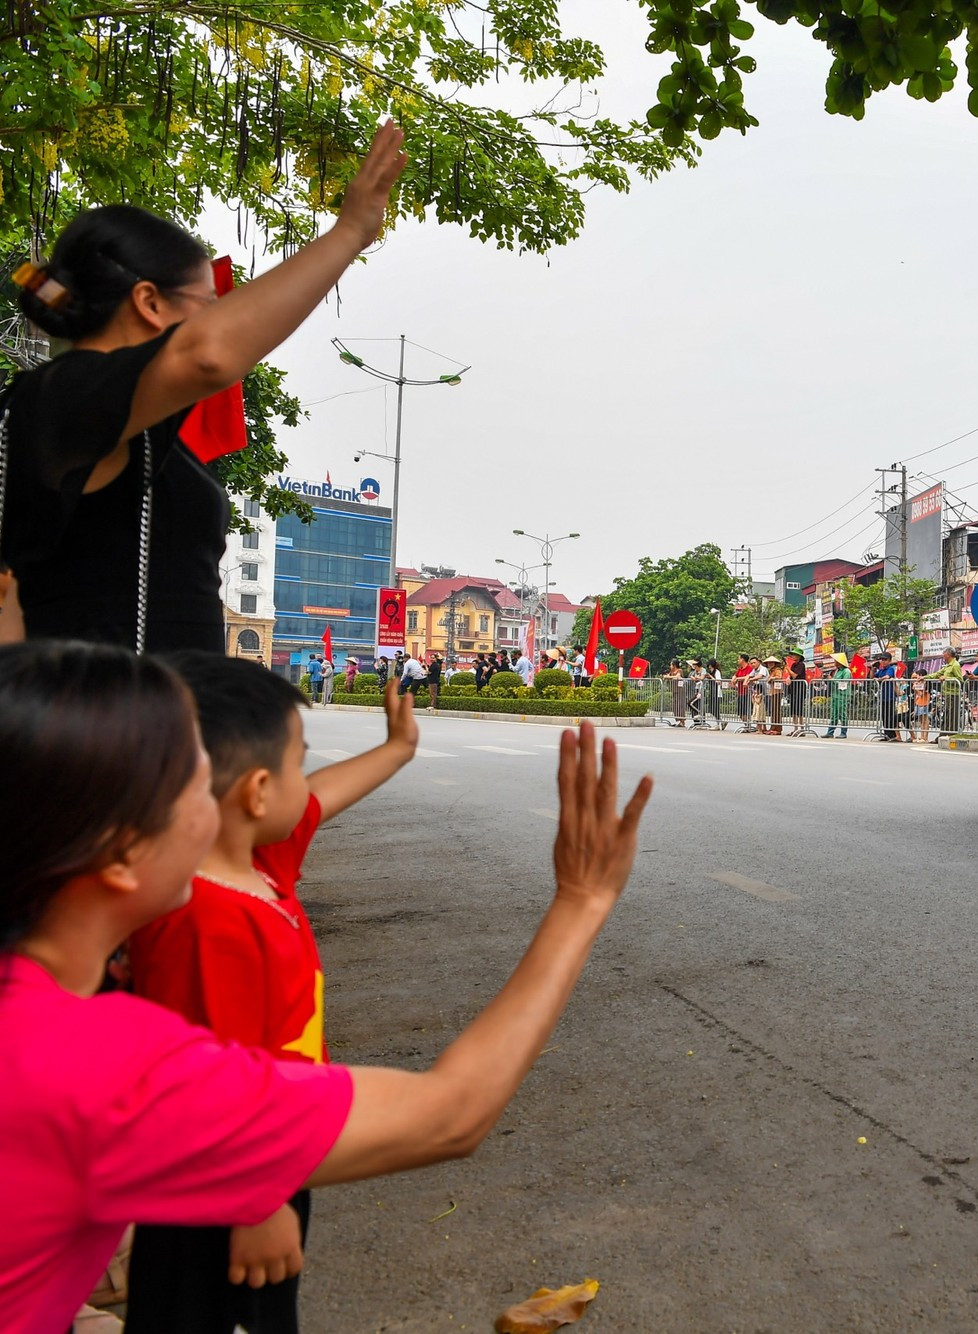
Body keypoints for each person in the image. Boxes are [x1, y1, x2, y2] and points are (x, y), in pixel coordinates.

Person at [0, 640, 652, 1332]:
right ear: (125, 850)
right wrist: (581, 902)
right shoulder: (104, 1071)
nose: (216, 801)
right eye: (192, 783)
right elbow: (450, 1113)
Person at [0, 126, 407, 654]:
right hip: (98, 725)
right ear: (149, 302)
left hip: (160, 721)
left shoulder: (141, 425)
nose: (221, 321)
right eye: (208, 304)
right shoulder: (59, 397)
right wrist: (349, 231)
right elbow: (207, 354)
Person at [120, 654, 418, 1333]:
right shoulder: (204, 924)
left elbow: (320, 799)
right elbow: (205, 1090)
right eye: (296, 761)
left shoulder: (255, 862)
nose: (305, 780)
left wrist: (396, 750)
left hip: (269, 1157)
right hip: (221, 1191)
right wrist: (255, 1205)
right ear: (256, 791)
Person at [823, 653, 851, 739]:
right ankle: (830, 732)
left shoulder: (846, 671)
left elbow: (844, 683)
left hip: (843, 696)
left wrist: (832, 680)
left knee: (842, 714)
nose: (834, 662)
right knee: (834, 715)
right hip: (835, 695)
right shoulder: (837, 671)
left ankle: (843, 732)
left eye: (836, 660)